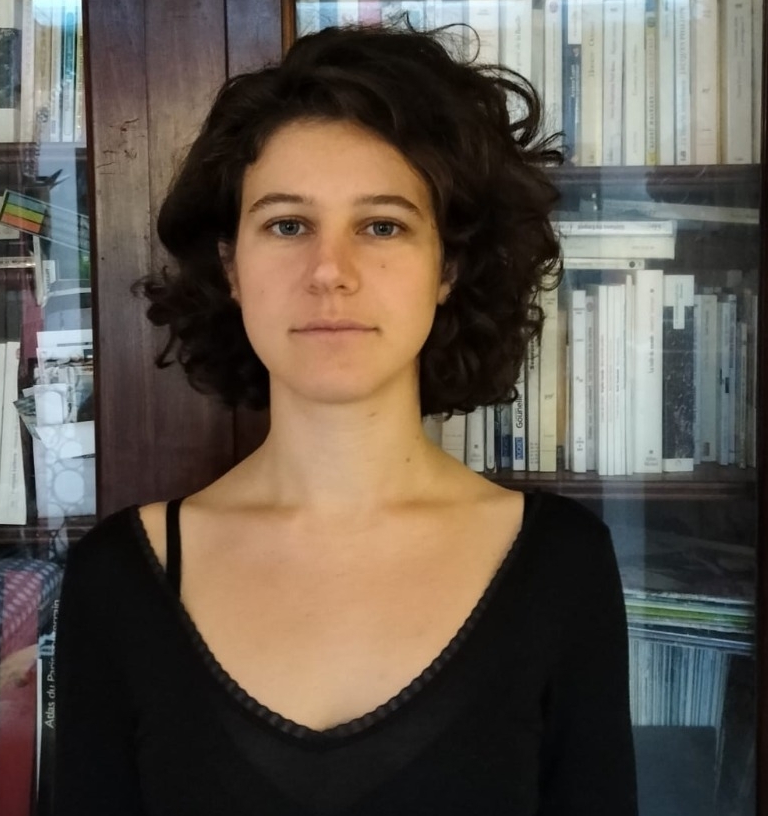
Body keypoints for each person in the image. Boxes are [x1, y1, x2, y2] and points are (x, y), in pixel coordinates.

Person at [53, 22, 638, 816]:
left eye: (382, 225)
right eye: (287, 225)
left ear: (448, 266)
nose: (330, 271)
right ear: (230, 266)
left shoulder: (562, 567)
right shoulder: (118, 581)